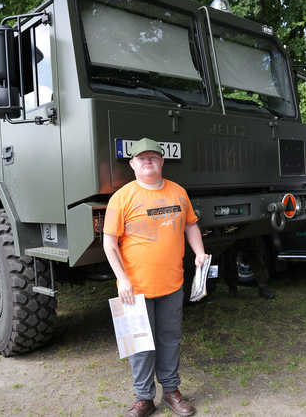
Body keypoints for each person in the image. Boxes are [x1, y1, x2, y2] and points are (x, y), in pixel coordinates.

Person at [103, 138, 205, 417]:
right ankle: (144, 398)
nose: (148, 161)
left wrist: (199, 252)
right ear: (132, 164)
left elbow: (191, 225)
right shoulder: (122, 198)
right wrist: (122, 279)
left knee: (170, 338)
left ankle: (171, 391)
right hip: (134, 289)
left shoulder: (178, 193)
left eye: (153, 157)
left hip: (172, 283)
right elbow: (109, 243)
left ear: (162, 162)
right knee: (139, 344)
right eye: (142, 158)